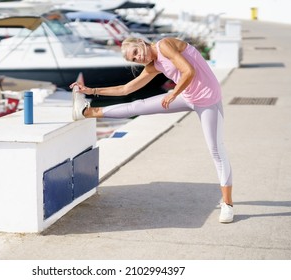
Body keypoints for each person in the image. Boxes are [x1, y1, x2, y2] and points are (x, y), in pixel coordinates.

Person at [70, 37, 234, 223]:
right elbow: (126, 89)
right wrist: (91, 91)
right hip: (186, 96)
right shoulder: (154, 65)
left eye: (136, 52)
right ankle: (89, 111)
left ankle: (227, 204)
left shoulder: (164, 45)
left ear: (141, 42)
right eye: (133, 59)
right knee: (137, 106)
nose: (138, 58)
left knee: (216, 149)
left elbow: (189, 70)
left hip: (207, 99)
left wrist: (173, 93)